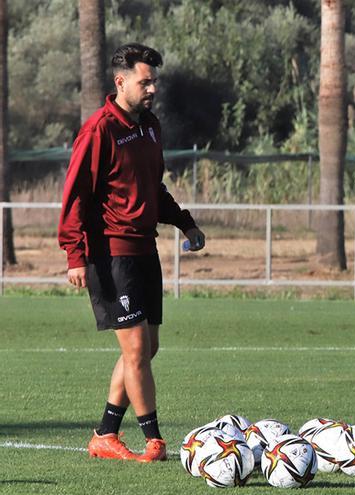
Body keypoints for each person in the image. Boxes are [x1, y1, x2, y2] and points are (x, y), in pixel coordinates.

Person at [58, 43, 205, 462]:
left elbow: (152, 189)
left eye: (155, 80)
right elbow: (75, 198)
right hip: (110, 252)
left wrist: (184, 222)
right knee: (137, 351)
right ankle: (154, 440)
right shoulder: (98, 130)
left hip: (145, 250)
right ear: (120, 82)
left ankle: (105, 433)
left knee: (146, 348)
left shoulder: (149, 127)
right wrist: (74, 255)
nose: (153, 88)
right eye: (145, 81)